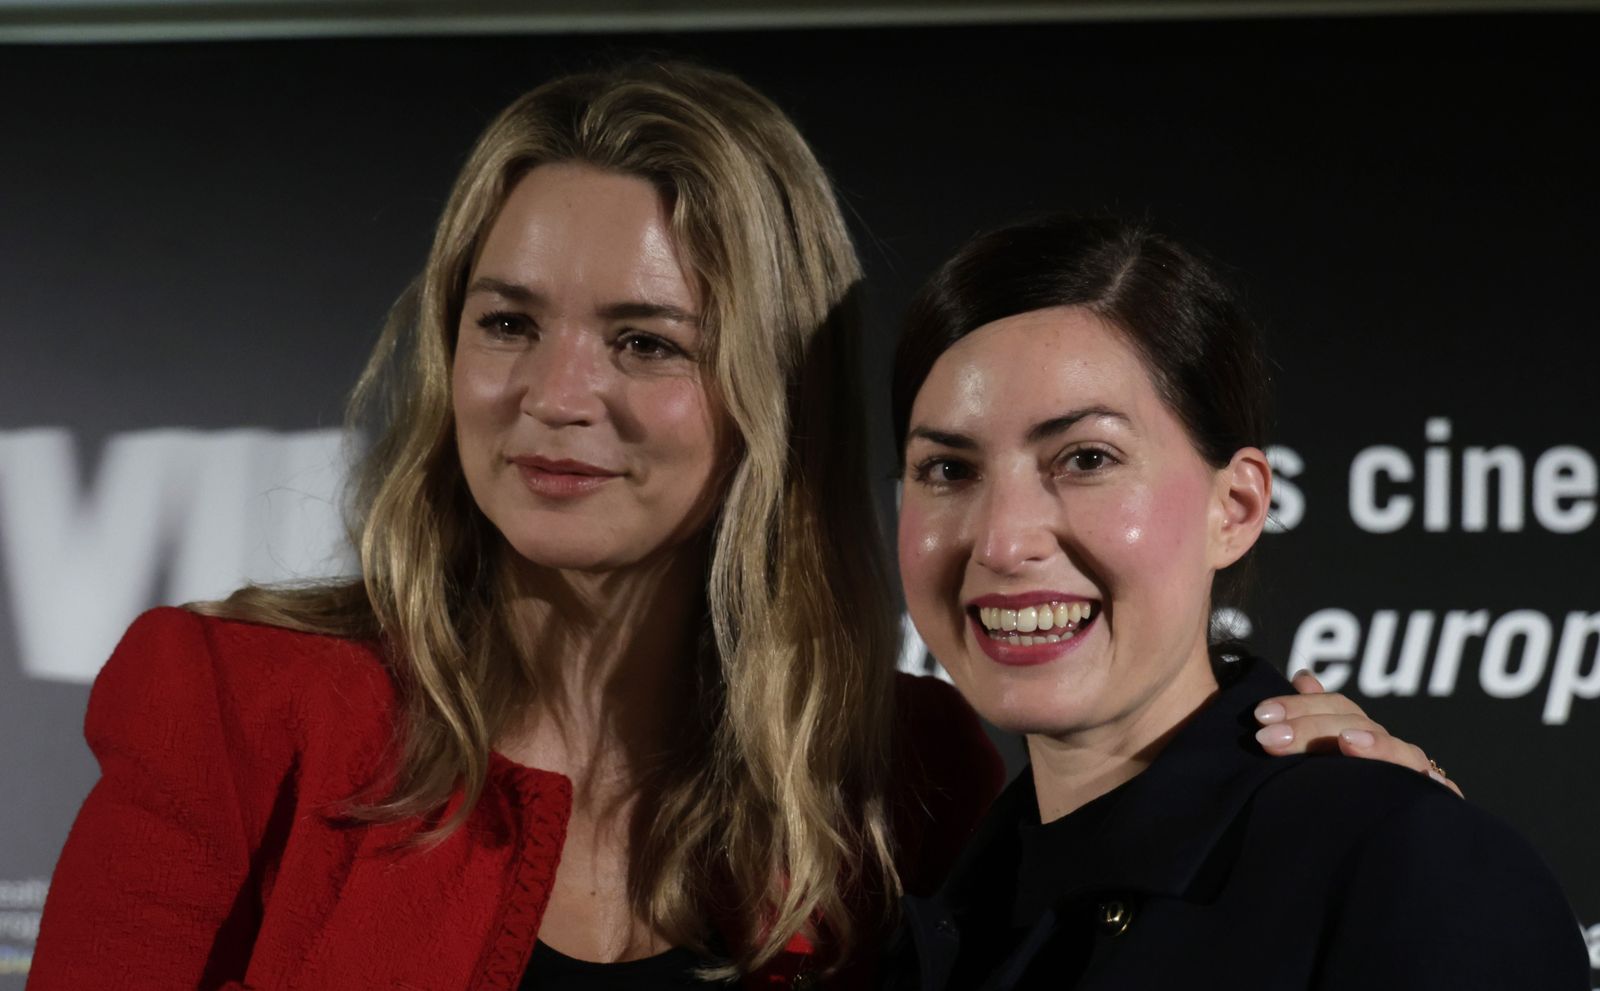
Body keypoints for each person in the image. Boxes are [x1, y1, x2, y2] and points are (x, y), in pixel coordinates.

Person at [30, 62, 1443, 990]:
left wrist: (1355, 820)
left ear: (769, 390)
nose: (553, 395)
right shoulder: (238, 703)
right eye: (507, 320)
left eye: (647, 339)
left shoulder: (909, 774)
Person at [885, 213, 1590, 989]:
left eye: (1087, 458)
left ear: (1238, 507)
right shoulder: (929, 917)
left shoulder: (1408, 866)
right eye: (949, 470)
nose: (1002, 541)